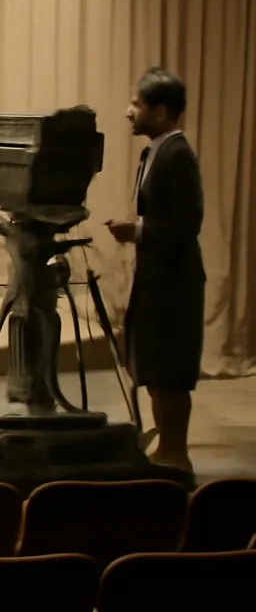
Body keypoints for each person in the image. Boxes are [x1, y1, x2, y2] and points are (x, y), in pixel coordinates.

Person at [105, 68, 205, 484]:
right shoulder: (154, 152)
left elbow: (188, 222)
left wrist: (138, 230)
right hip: (155, 278)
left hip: (175, 284)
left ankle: (176, 457)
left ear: (160, 111)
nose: (129, 112)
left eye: (137, 104)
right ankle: (164, 449)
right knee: (153, 368)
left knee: (171, 372)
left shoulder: (178, 155)